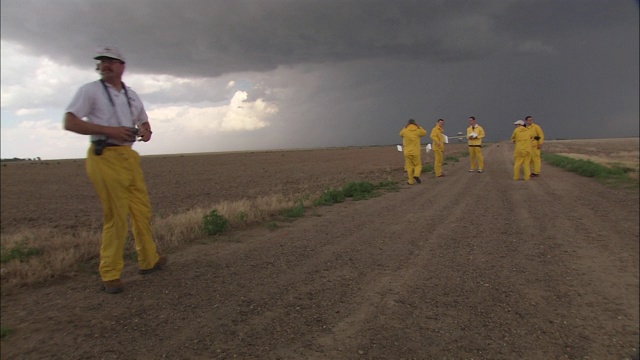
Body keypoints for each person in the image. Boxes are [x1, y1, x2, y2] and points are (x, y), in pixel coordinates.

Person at [63, 46, 166, 294]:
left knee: (142, 211)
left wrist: (146, 132)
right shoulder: (89, 91)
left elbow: (144, 121)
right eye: (102, 61)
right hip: (104, 156)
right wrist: (111, 131)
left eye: (111, 61)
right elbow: (70, 122)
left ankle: (149, 260)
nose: (106, 65)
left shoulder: (131, 95)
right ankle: (110, 273)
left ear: (122, 66)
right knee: (117, 216)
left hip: (128, 156)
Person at [399, 119, 428, 184]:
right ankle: (416, 175)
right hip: (416, 152)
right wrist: (419, 127)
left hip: (407, 152)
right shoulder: (417, 130)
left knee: (409, 167)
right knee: (418, 165)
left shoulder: (405, 131)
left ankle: (410, 181)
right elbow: (425, 133)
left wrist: (405, 127)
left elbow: (400, 134)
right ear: (415, 123)